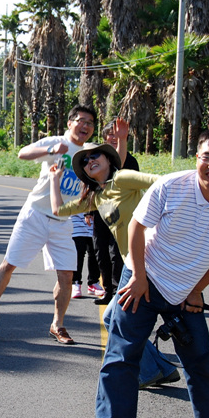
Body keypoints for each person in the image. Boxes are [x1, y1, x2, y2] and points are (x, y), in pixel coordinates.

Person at [94, 128, 209, 418]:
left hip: (186, 291)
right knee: (121, 360)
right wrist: (140, 277)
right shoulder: (171, 185)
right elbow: (137, 227)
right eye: (206, 157)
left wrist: (197, 289)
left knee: (203, 365)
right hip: (143, 278)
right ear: (197, 157)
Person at [49, 142, 179, 389]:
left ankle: (155, 369)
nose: (90, 161)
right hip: (133, 264)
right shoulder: (97, 196)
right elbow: (59, 210)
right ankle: (160, 368)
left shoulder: (123, 178)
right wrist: (55, 180)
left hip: (152, 260)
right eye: (85, 161)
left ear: (108, 160)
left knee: (120, 319)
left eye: (95, 155)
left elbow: (164, 182)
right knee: (112, 317)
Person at [0, 104, 96, 345]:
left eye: (90, 123)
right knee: (9, 264)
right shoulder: (57, 141)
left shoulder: (89, 153)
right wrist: (51, 150)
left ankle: (58, 324)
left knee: (67, 274)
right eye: (81, 120)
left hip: (63, 221)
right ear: (70, 123)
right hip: (34, 215)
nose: (85, 126)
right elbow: (22, 154)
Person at [94, 119, 139, 305]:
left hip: (122, 213)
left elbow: (117, 167)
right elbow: (91, 183)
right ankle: (108, 291)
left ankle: (118, 291)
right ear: (104, 139)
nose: (113, 137)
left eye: (117, 134)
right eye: (109, 134)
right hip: (101, 210)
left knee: (116, 254)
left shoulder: (130, 160)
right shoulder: (96, 158)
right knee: (100, 251)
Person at [70, 213, 105, 299]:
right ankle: (75, 282)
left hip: (94, 221)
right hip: (76, 221)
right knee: (78, 253)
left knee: (95, 253)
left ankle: (93, 283)